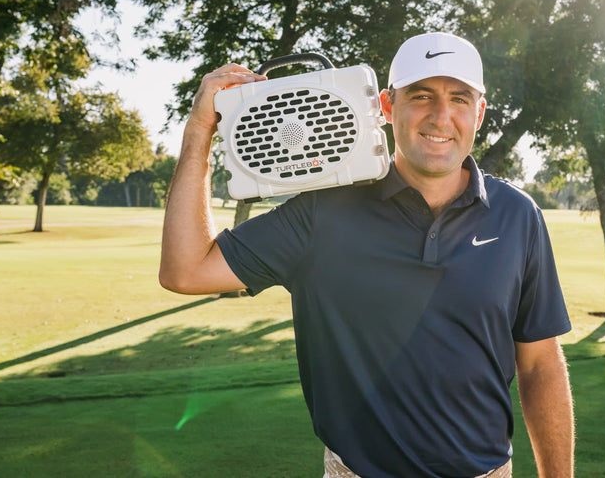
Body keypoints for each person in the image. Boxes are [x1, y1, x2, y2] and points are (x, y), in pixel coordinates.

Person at [159, 32, 575, 478]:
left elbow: (540, 364)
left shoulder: (517, 215)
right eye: (421, 96)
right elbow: (185, 270)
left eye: (459, 98)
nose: (441, 116)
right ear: (387, 105)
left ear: (479, 111)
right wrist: (199, 131)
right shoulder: (322, 211)